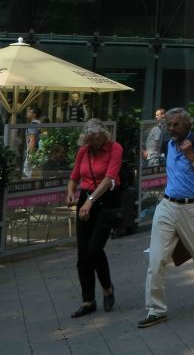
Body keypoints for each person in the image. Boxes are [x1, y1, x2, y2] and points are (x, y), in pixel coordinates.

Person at [138, 108, 194, 328]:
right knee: (156, 259)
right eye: (169, 124)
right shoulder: (169, 145)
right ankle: (156, 309)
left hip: (192, 208)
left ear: (187, 125)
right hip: (167, 205)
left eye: (175, 125)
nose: (171, 129)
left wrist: (192, 156)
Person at [65, 119, 123, 318]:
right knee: (83, 255)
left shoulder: (114, 148)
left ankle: (107, 288)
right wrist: (71, 192)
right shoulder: (84, 151)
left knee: (94, 249)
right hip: (86, 199)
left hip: (105, 200)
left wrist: (90, 201)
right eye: (90, 140)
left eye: (96, 139)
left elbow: (110, 178)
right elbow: (74, 177)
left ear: (103, 135)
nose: (94, 143)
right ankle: (88, 300)